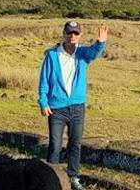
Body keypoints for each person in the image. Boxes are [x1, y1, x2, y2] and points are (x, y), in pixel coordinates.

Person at [37, 20, 108, 190]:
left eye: (76, 33)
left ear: (80, 35)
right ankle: (51, 177)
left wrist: (100, 42)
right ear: (64, 34)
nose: (72, 36)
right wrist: (43, 102)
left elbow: (94, 53)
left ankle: (73, 177)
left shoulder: (82, 53)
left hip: (77, 107)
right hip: (56, 108)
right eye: (69, 32)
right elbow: (44, 81)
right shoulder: (52, 55)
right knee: (55, 145)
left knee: (75, 143)